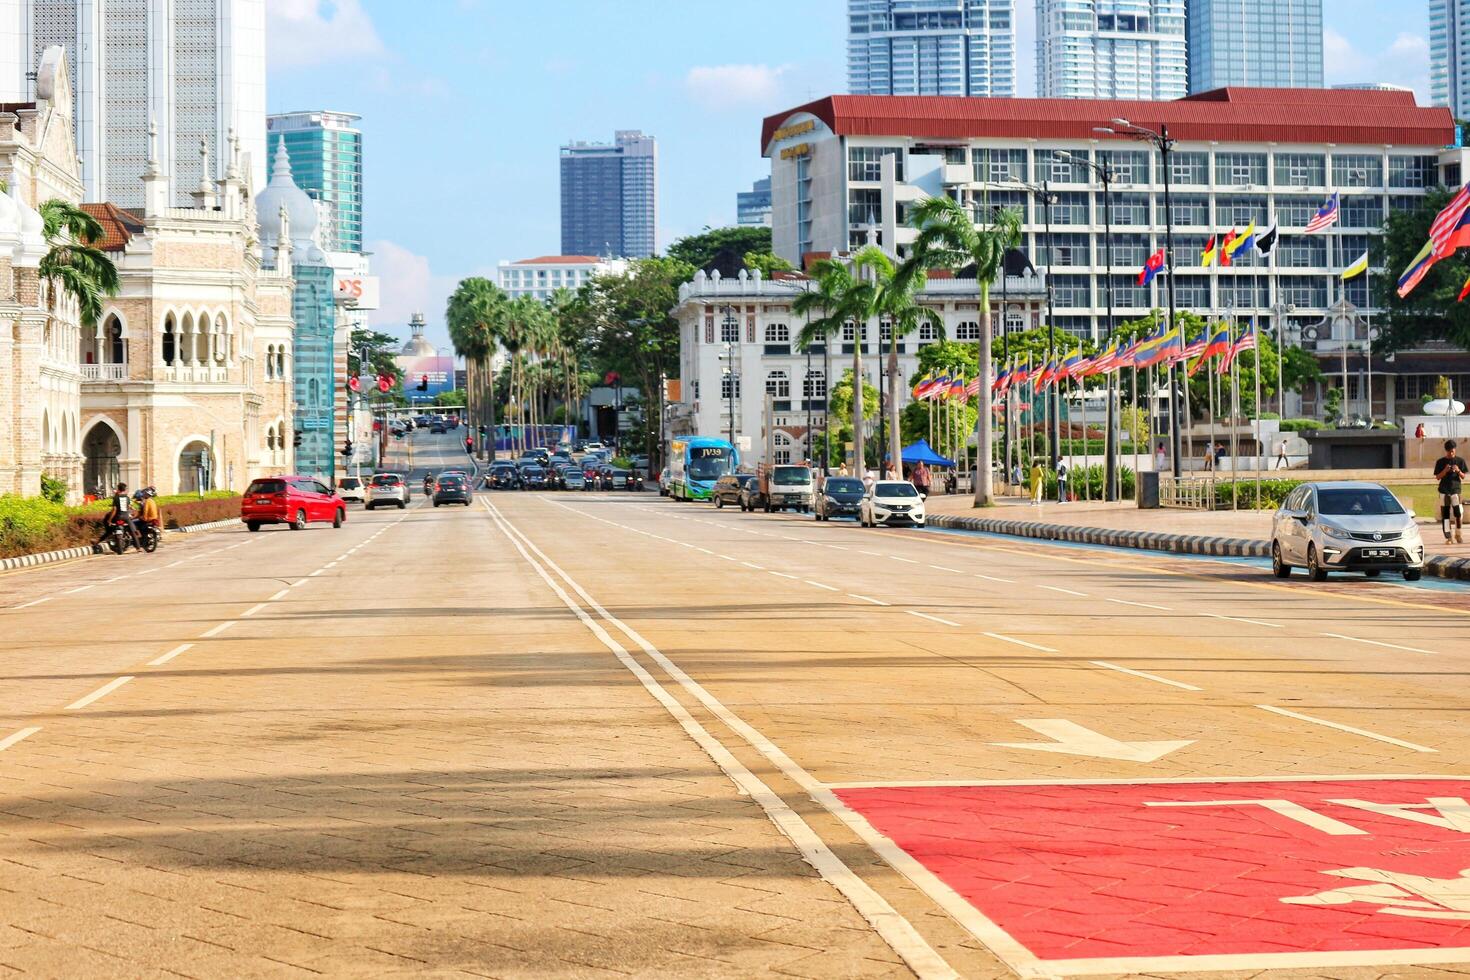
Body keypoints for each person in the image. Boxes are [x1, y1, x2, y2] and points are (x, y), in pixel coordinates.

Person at [1433, 439, 1467, 544]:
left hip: (1455, 491)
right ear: (1446, 451)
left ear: (1455, 450)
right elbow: (1438, 477)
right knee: (1445, 515)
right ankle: (1448, 537)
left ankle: (1458, 534)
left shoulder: (1460, 461)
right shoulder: (1440, 462)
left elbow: (1463, 476)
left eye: (1453, 451)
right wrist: (1445, 471)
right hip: (1444, 491)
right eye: (1449, 452)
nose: (1451, 453)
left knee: (1458, 513)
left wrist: (1458, 471)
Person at [96, 482, 140, 551]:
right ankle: (138, 548)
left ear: (118, 489)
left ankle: (98, 541)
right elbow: (130, 507)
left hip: (117, 517)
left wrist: (109, 520)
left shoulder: (116, 498)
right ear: (125, 489)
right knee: (132, 531)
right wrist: (134, 514)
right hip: (126, 518)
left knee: (109, 530)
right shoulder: (127, 498)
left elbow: (114, 510)